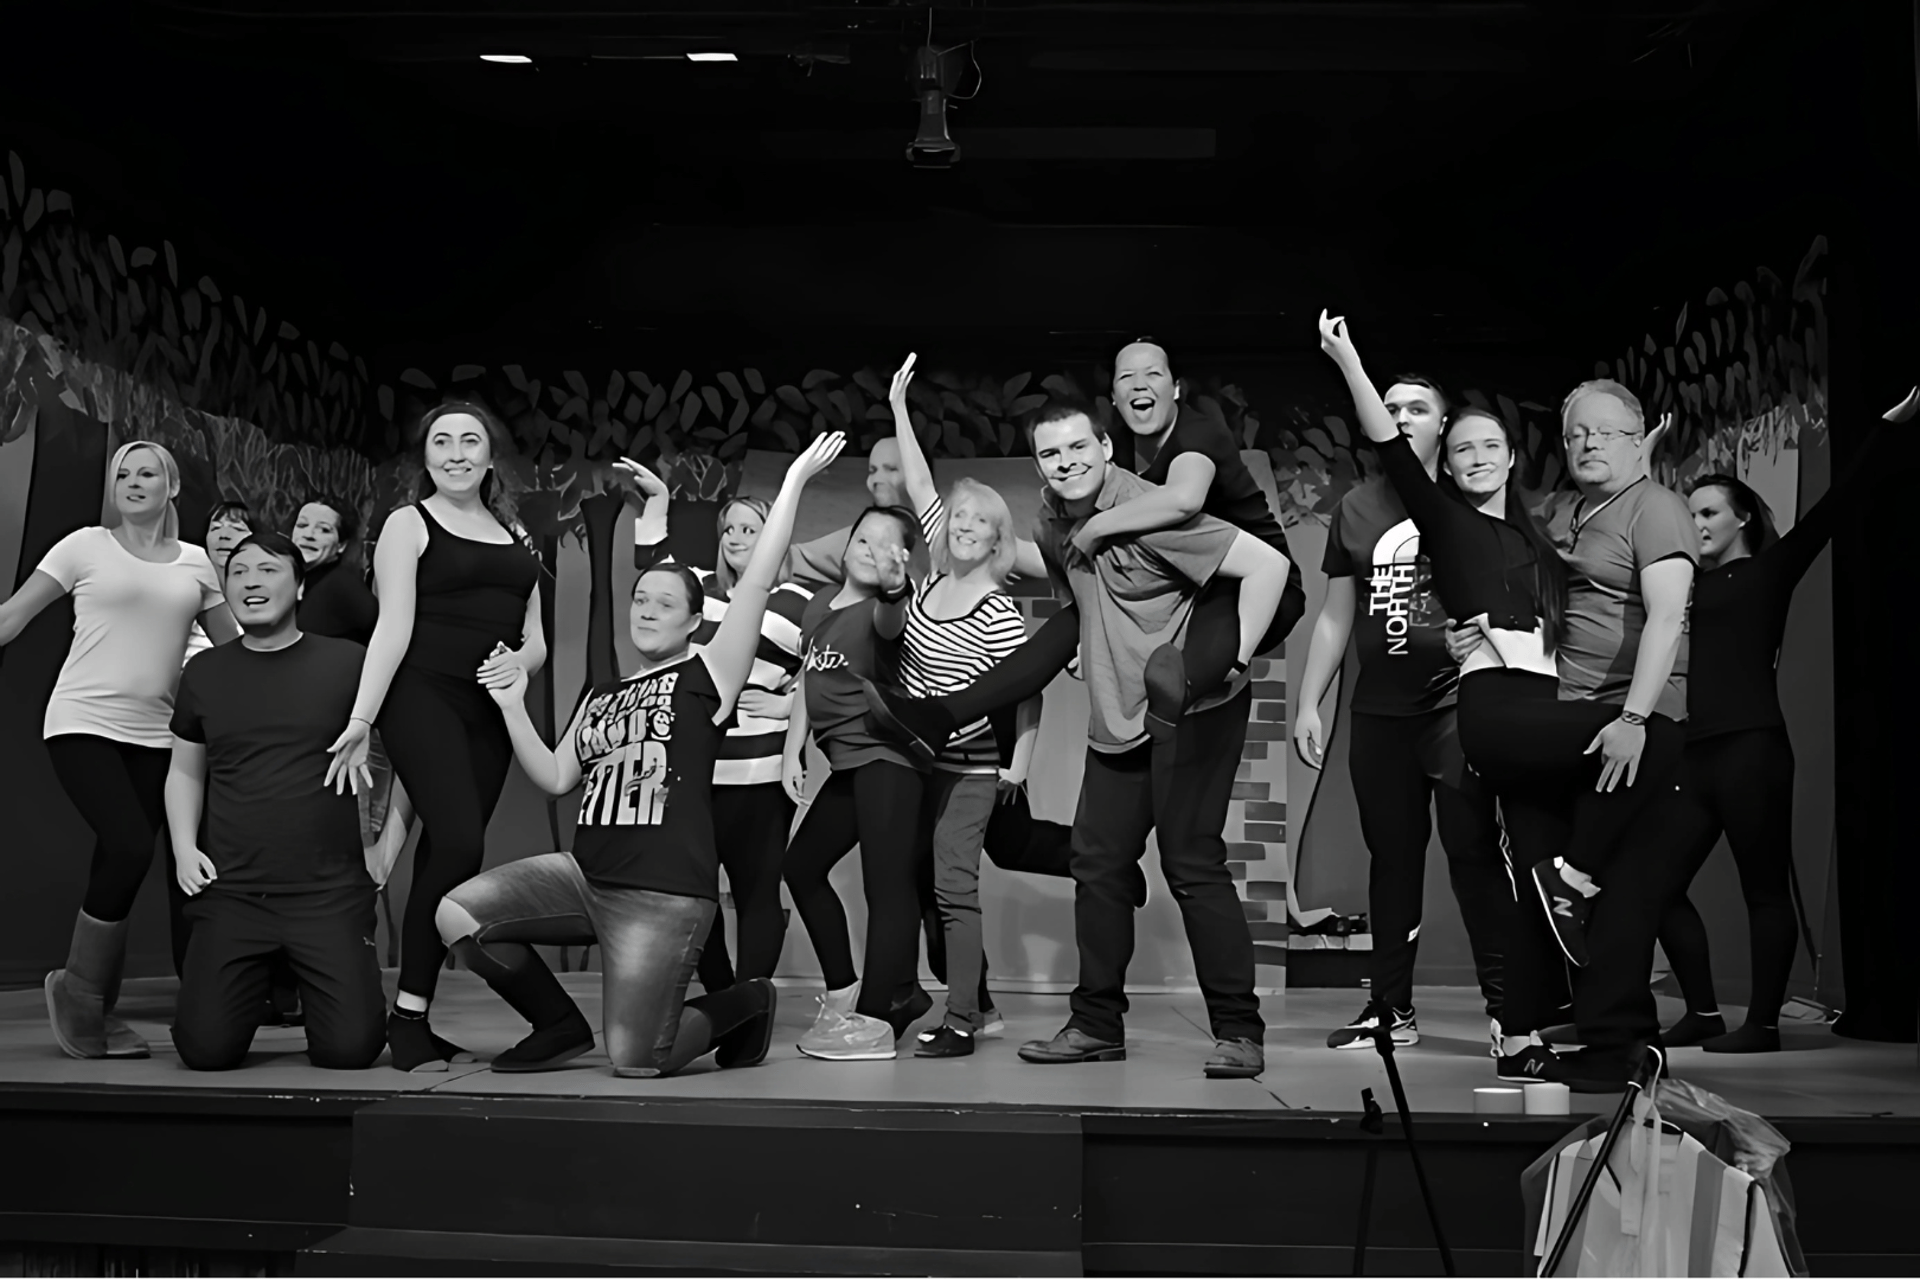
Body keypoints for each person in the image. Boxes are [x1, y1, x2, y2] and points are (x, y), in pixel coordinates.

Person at [1316, 313, 1681, 1083]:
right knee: (1655, 742)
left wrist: (1637, 458)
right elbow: (1389, 445)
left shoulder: (1541, 539)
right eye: (1462, 451)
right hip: (1496, 714)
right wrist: (1349, 360)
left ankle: (1520, 1034)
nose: (1476, 460)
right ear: (1445, 468)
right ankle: (1573, 878)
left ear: (1513, 459)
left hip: (1539, 710)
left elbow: (1605, 522)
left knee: (1528, 877)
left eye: (1491, 447)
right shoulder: (1444, 522)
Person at [434, 433, 847, 1076]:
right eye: (640, 599)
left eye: (665, 603)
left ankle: (748, 1000)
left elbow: (759, 578)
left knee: (637, 1061)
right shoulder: (602, 693)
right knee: (457, 914)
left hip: (663, 898)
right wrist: (514, 705)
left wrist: (793, 480)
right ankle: (557, 1025)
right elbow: (554, 776)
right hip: (584, 876)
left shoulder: (709, 677)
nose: (647, 610)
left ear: (693, 622)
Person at [1008, 397, 1291, 1078]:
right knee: (1097, 866)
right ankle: (1096, 1024)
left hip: (1192, 713)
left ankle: (1239, 1032)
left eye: (1079, 446)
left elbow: (1269, 568)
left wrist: (1232, 659)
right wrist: (1090, 641)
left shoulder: (1154, 512)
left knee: (1191, 864)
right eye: (1051, 453)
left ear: (1105, 447)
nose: (1067, 462)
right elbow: (1080, 593)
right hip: (1118, 722)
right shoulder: (1052, 520)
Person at [862, 340, 1305, 760]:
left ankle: (1173, 715)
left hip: (1253, 582)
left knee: (1184, 678)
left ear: (1176, 389)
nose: (1139, 384)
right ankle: (941, 716)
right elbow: (930, 499)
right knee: (1070, 624)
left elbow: (1184, 499)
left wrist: (1095, 528)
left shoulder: (1194, 434)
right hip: (1190, 578)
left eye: (1152, 374)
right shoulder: (1111, 464)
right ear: (1113, 397)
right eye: (1126, 377)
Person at [1652, 388, 1913, 1055]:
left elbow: (1838, 506)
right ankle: (1703, 1012)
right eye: (1690, 514)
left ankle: (1762, 1025)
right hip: (1694, 751)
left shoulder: (1769, 571)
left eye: (1708, 512)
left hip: (1752, 750)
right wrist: (1645, 460)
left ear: (1741, 518)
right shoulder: (1681, 584)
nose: (1697, 523)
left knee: (1763, 890)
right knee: (1654, 884)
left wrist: (1885, 427)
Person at [1292, 372, 1513, 1053]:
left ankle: (1511, 1016)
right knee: (1391, 862)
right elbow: (1336, 615)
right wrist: (1309, 700)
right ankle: (1390, 1010)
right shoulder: (1356, 508)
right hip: (1379, 714)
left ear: (1442, 427)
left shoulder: (1468, 498)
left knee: (1473, 855)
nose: (1402, 416)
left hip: (1454, 707)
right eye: (1390, 407)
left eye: (1418, 408)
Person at [325, 402, 546, 1072]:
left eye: (469, 441)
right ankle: (408, 1019)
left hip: (489, 709)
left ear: (488, 456)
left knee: (449, 862)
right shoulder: (407, 523)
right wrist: (362, 720)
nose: (455, 453)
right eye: (441, 442)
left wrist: (523, 664)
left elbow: (534, 636)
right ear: (425, 457)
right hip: (422, 694)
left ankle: (411, 1018)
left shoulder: (514, 533)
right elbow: (391, 628)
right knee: (458, 840)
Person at [0, 441, 240, 1059]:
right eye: (123, 474)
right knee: (131, 843)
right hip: (82, 720)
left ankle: (96, 1005)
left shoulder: (196, 564)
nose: (133, 482)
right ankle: (79, 991)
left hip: (160, 736)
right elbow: (11, 619)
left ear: (172, 486)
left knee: (123, 856)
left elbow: (235, 654)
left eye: (147, 472)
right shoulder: (84, 546)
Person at [165, 533, 385, 1071]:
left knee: (350, 1051)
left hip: (328, 894)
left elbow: (408, 763)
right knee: (205, 1051)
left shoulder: (350, 664)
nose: (250, 582)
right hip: (232, 891)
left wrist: (386, 849)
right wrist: (182, 848)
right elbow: (183, 771)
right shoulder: (205, 672)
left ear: (300, 585)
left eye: (267, 570)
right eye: (238, 572)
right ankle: (249, 987)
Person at [877, 354, 1043, 1057]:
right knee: (917, 884)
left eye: (983, 520)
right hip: (918, 765)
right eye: (961, 516)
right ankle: (973, 1000)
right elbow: (918, 482)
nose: (967, 524)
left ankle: (964, 1021)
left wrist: (1018, 769)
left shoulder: (1001, 610)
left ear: (999, 540)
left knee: (954, 888)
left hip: (974, 770)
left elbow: (1026, 691)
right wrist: (897, 405)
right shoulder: (929, 580)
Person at [626, 471, 812, 993]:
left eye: (750, 529)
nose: (735, 538)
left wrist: (783, 703)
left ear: (775, 535)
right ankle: (721, 998)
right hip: (697, 769)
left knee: (756, 892)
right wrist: (659, 500)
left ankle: (749, 1003)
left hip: (760, 771)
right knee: (696, 891)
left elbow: (831, 677)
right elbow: (651, 567)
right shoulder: (699, 589)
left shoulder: (800, 603)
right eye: (729, 528)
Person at [782, 502, 936, 1062]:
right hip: (846, 764)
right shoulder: (821, 604)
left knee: (887, 888)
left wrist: (897, 592)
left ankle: (875, 1021)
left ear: (902, 560)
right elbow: (806, 678)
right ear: (845, 545)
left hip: (887, 763)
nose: (871, 551)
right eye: (863, 540)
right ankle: (852, 988)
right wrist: (791, 746)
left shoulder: (885, 609)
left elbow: (894, 627)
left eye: (886, 545)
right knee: (799, 866)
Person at [782, 438, 931, 588]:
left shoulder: (946, 534)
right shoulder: (856, 540)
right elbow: (788, 562)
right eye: (872, 471)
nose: (876, 480)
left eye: (891, 469)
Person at [293, 495, 378, 645]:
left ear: (341, 545)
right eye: (302, 525)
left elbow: (384, 633)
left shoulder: (343, 585)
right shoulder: (290, 581)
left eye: (324, 530)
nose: (309, 535)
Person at [182, 500, 254, 666]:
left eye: (237, 529)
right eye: (215, 528)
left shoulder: (266, 602)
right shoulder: (186, 592)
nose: (224, 535)